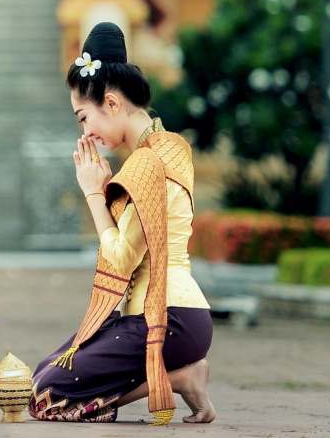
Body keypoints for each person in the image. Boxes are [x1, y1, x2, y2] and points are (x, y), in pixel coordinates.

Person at [28, 22, 215, 425]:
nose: (86, 132)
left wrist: (94, 192)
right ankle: (178, 373)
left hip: (168, 317)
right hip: (174, 315)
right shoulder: (167, 148)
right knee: (46, 372)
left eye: (84, 118)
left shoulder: (150, 163)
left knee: (46, 396)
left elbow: (121, 257)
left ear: (111, 104)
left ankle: (178, 377)